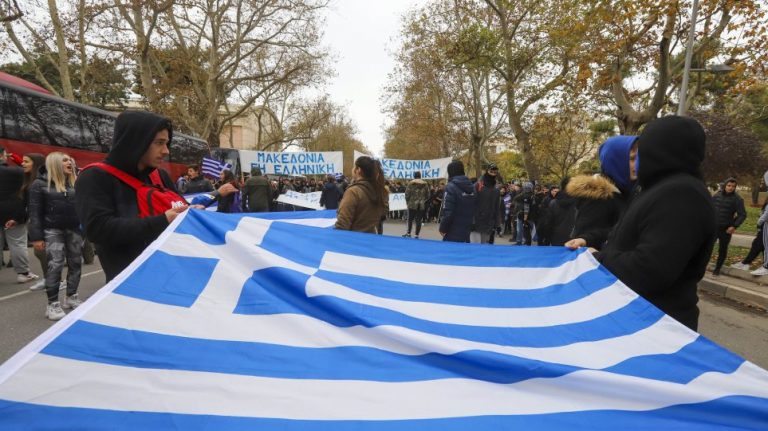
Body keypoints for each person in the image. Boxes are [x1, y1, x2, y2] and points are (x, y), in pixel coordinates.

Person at [593, 116, 716, 331]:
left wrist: (598, 259)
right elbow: (626, 236)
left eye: (641, 150)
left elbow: (649, 270)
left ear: (658, 150)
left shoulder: (681, 194)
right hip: (639, 317)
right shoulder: (656, 189)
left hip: (655, 327)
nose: (637, 159)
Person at [75, 111, 191, 282]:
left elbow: (177, 212)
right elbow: (97, 229)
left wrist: (189, 212)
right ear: (136, 141)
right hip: (128, 283)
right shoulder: (94, 177)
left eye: (167, 143)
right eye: (159, 143)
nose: (166, 151)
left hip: (172, 274)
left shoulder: (160, 176)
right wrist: (163, 220)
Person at [28, 152, 84, 320]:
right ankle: (52, 304)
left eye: (70, 160)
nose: (70, 163)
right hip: (52, 230)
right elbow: (34, 213)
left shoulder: (75, 182)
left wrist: (84, 228)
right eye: (65, 160)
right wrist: (36, 237)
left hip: (74, 229)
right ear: (54, 164)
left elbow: (83, 207)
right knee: (56, 264)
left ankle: (71, 297)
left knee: (76, 263)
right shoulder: (38, 185)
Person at [565, 135, 638, 250]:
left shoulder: (627, 191)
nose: (638, 163)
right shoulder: (598, 196)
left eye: (639, 158)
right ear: (616, 161)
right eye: (632, 159)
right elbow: (586, 243)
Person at [0, 146, 39, 284]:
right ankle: (23, 273)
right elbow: (30, 172)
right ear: (3, 155)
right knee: (17, 243)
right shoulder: (16, 171)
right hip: (13, 213)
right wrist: (16, 159)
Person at [335, 156, 389, 233]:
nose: (352, 169)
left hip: (353, 241)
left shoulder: (353, 192)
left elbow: (342, 224)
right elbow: (382, 214)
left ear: (358, 170)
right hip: (371, 239)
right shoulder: (379, 190)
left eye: (354, 167)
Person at [21, 154, 48, 291]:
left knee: (42, 252)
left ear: (36, 163)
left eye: (26, 161)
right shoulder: (28, 181)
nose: (22, 163)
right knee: (40, 252)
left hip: (43, 222)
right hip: (34, 221)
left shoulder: (41, 182)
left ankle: (55, 280)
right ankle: (49, 279)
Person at [709, 178, 746, 276]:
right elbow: (710, 208)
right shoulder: (717, 195)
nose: (731, 188)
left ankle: (717, 269)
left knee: (722, 249)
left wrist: (734, 226)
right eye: (729, 185)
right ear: (725, 185)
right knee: (707, 248)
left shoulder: (737, 199)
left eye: (733, 186)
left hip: (726, 229)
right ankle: (701, 266)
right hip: (714, 227)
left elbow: (742, 215)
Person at [439, 161, 476, 242]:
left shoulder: (450, 187)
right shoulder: (472, 187)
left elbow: (448, 211)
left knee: (449, 253)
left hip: (453, 230)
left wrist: (443, 228)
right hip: (467, 230)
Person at [731, 194, 768, 272]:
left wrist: (759, 222)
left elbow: (765, 215)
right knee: (759, 245)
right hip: (763, 226)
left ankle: (747, 263)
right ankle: (746, 263)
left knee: (760, 245)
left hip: (765, 225)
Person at [470, 164, 501, 244]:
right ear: (487, 171)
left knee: (484, 249)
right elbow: (471, 203)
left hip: (488, 224)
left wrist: (498, 224)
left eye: (495, 172)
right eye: (491, 171)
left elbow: (497, 207)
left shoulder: (496, 189)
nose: (493, 173)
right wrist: (471, 220)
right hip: (476, 223)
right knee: (475, 249)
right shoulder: (478, 185)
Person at [403, 171, 430, 238]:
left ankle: (408, 233)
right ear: (420, 176)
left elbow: (407, 194)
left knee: (410, 219)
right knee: (418, 220)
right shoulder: (425, 184)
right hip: (421, 204)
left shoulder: (411, 183)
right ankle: (416, 235)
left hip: (412, 204)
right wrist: (423, 200)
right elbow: (428, 195)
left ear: (414, 176)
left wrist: (407, 202)